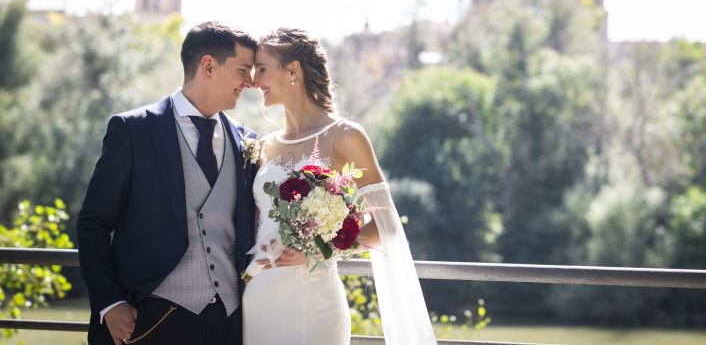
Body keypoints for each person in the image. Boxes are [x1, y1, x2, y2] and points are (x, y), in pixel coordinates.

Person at [244, 27, 437, 345]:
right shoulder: (262, 145)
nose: (253, 80)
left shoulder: (345, 136)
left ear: (293, 70)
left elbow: (385, 228)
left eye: (262, 68)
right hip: (260, 302)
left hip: (313, 301)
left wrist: (319, 251)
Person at [76, 21, 258, 345]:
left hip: (230, 322)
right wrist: (109, 302)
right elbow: (93, 223)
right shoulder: (133, 131)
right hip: (150, 319)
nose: (250, 82)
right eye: (243, 70)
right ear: (208, 65)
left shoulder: (247, 140)